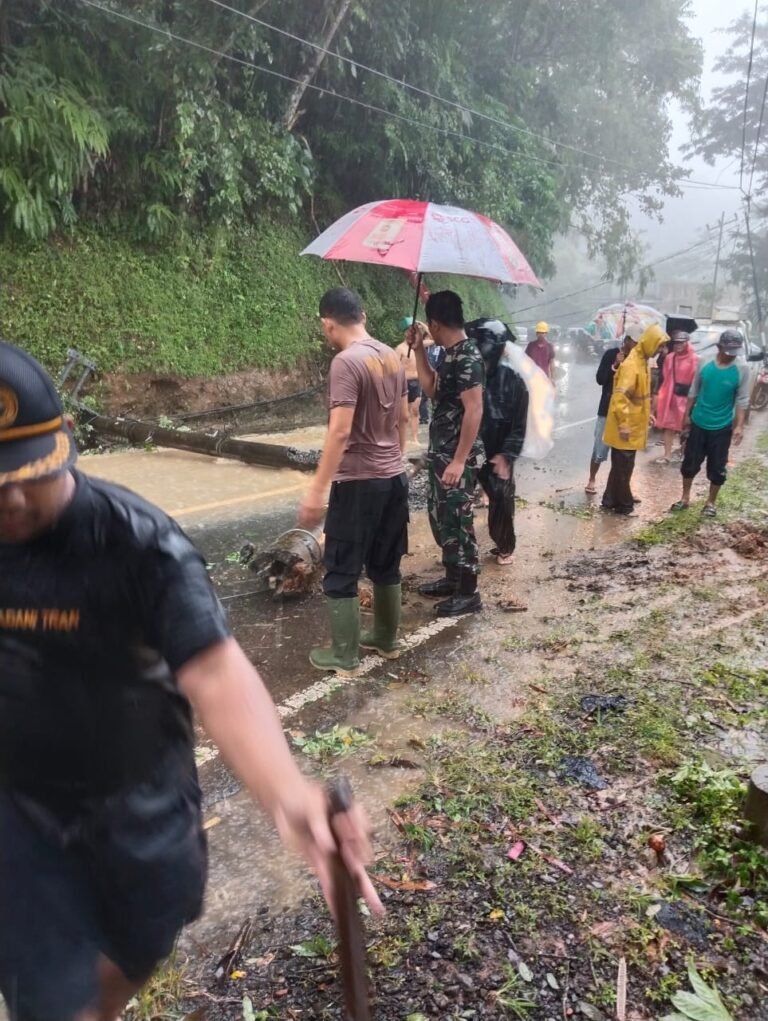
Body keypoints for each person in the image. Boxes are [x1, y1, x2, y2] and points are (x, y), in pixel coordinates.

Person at [0, 340, 382, 1021]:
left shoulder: (138, 544)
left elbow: (214, 670)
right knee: (56, 1005)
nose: (9, 499)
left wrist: (287, 790)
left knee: (123, 965)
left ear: (63, 448)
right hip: (24, 820)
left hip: (141, 817)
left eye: (24, 477)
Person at [299, 288, 410, 673]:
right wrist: (395, 460)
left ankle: (345, 655)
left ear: (327, 322)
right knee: (386, 561)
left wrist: (316, 489)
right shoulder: (392, 356)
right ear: (361, 315)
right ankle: (386, 637)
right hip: (394, 477)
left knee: (342, 567)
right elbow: (404, 420)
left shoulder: (346, 363)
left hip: (358, 482)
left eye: (324, 328)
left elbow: (340, 432)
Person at [410, 291, 485, 616]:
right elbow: (431, 390)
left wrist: (458, 460)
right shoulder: (450, 354)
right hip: (441, 453)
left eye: (430, 327)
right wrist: (419, 352)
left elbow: (474, 410)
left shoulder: (467, 357)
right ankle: (453, 577)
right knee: (442, 519)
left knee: (458, 520)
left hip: (459, 459)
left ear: (436, 324)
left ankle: (469, 592)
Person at [469, 318, 529, 566]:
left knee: (501, 498)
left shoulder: (514, 380)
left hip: (498, 448)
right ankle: (460, 550)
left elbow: (519, 425)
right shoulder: (470, 373)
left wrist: (506, 455)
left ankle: (505, 545)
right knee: (457, 501)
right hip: (470, 445)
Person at [670, 330, 750, 518]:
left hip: (722, 426)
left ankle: (710, 503)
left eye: (734, 351)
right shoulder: (704, 362)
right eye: (727, 350)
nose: (731, 355)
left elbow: (743, 399)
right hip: (699, 421)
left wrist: (739, 425)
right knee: (690, 462)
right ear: (719, 347)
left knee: (717, 467)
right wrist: (687, 416)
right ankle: (685, 498)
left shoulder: (742, 368)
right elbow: (693, 390)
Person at [601, 323, 666, 515]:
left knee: (620, 466)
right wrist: (623, 424)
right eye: (658, 346)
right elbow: (620, 398)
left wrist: (648, 415)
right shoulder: (632, 365)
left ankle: (610, 499)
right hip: (626, 426)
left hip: (632, 424)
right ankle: (624, 505)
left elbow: (640, 397)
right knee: (624, 468)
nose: (659, 351)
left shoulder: (641, 362)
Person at [586, 332, 638, 495]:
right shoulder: (611, 354)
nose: (636, 345)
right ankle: (592, 479)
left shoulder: (637, 360)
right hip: (607, 409)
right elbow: (600, 379)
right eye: (634, 341)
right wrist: (615, 364)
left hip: (628, 413)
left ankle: (622, 488)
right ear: (628, 340)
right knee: (599, 448)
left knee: (624, 454)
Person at [652, 331, 699, 463]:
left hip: (687, 397)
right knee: (669, 426)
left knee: (687, 426)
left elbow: (697, 380)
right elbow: (664, 377)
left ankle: (685, 452)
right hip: (671, 397)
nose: (678, 345)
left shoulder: (695, 359)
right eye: (676, 342)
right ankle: (667, 455)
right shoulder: (670, 358)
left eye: (681, 342)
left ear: (687, 342)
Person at [395, 317, 422, 443]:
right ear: (405, 333)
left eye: (413, 330)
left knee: (415, 411)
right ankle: (402, 439)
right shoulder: (400, 348)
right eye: (408, 330)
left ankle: (415, 438)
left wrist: (422, 325)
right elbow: (393, 368)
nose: (410, 333)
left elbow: (434, 340)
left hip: (417, 382)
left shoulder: (420, 346)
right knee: (404, 415)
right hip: (404, 383)